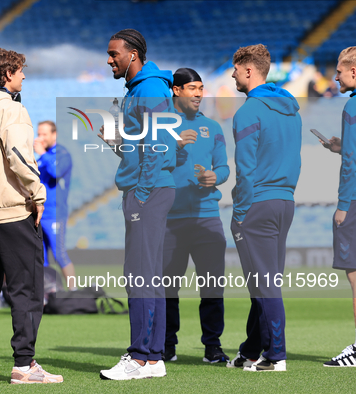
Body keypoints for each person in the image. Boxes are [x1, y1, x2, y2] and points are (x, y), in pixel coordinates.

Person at [0, 48, 63, 384]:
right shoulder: (12, 110)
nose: (23, 77)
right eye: (20, 71)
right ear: (8, 74)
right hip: (13, 211)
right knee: (27, 289)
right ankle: (23, 364)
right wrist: (38, 192)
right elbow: (19, 156)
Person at [99, 29, 176, 380]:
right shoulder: (139, 91)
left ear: (133, 55)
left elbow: (160, 145)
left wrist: (142, 194)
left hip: (149, 191)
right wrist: (118, 141)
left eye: (115, 54)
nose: (110, 60)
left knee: (141, 274)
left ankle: (141, 357)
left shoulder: (150, 89)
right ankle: (154, 358)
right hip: (147, 188)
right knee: (146, 274)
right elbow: (140, 148)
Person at [226, 44, 301, 372]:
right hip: (285, 202)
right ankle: (251, 351)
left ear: (248, 70)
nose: (231, 75)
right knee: (265, 282)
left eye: (235, 68)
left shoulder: (248, 111)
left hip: (256, 203)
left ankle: (276, 355)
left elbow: (246, 168)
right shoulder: (291, 109)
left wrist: (238, 212)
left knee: (264, 284)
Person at [162, 68, 230, 363]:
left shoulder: (213, 127)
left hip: (207, 216)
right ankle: (166, 345)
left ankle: (212, 346)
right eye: (193, 88)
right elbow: (150, 161)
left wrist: (216, 176)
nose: (200, 93)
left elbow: (225, 168)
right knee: (167, 287)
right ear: (177, 91)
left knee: (213, 285)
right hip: (170, 219)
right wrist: (174, 146)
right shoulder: (161, 125)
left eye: (201, 88)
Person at [319, 46, 356, 367]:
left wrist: (343, 205)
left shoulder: (352, 106)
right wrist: (341, 147)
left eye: (340, 72)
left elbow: (353, 163)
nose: (335, 77)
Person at [33, 120, 76, 289]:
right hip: (39, 213)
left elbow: (56, 172)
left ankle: (74, 290)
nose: (40, 137)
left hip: (55, 213)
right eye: (39, 134)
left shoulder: (62, 154)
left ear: (54, 135)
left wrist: (42, 154)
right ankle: (46, 291)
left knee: (59, 253)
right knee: (40, 256)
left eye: (44, 134)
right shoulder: (43, 158)